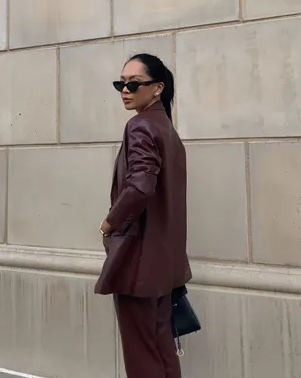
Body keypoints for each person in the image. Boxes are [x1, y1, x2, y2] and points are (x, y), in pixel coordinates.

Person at [94, 53, 192, 378]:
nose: (125, 89)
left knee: (142, 359)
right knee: (162, 350)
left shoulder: (140, 126)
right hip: (163, 266)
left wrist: (109, 223)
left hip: (138, 265)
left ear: (157, 88)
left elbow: (139, 187)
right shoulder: (167, 130)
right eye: (120, 83)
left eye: (133, 84)